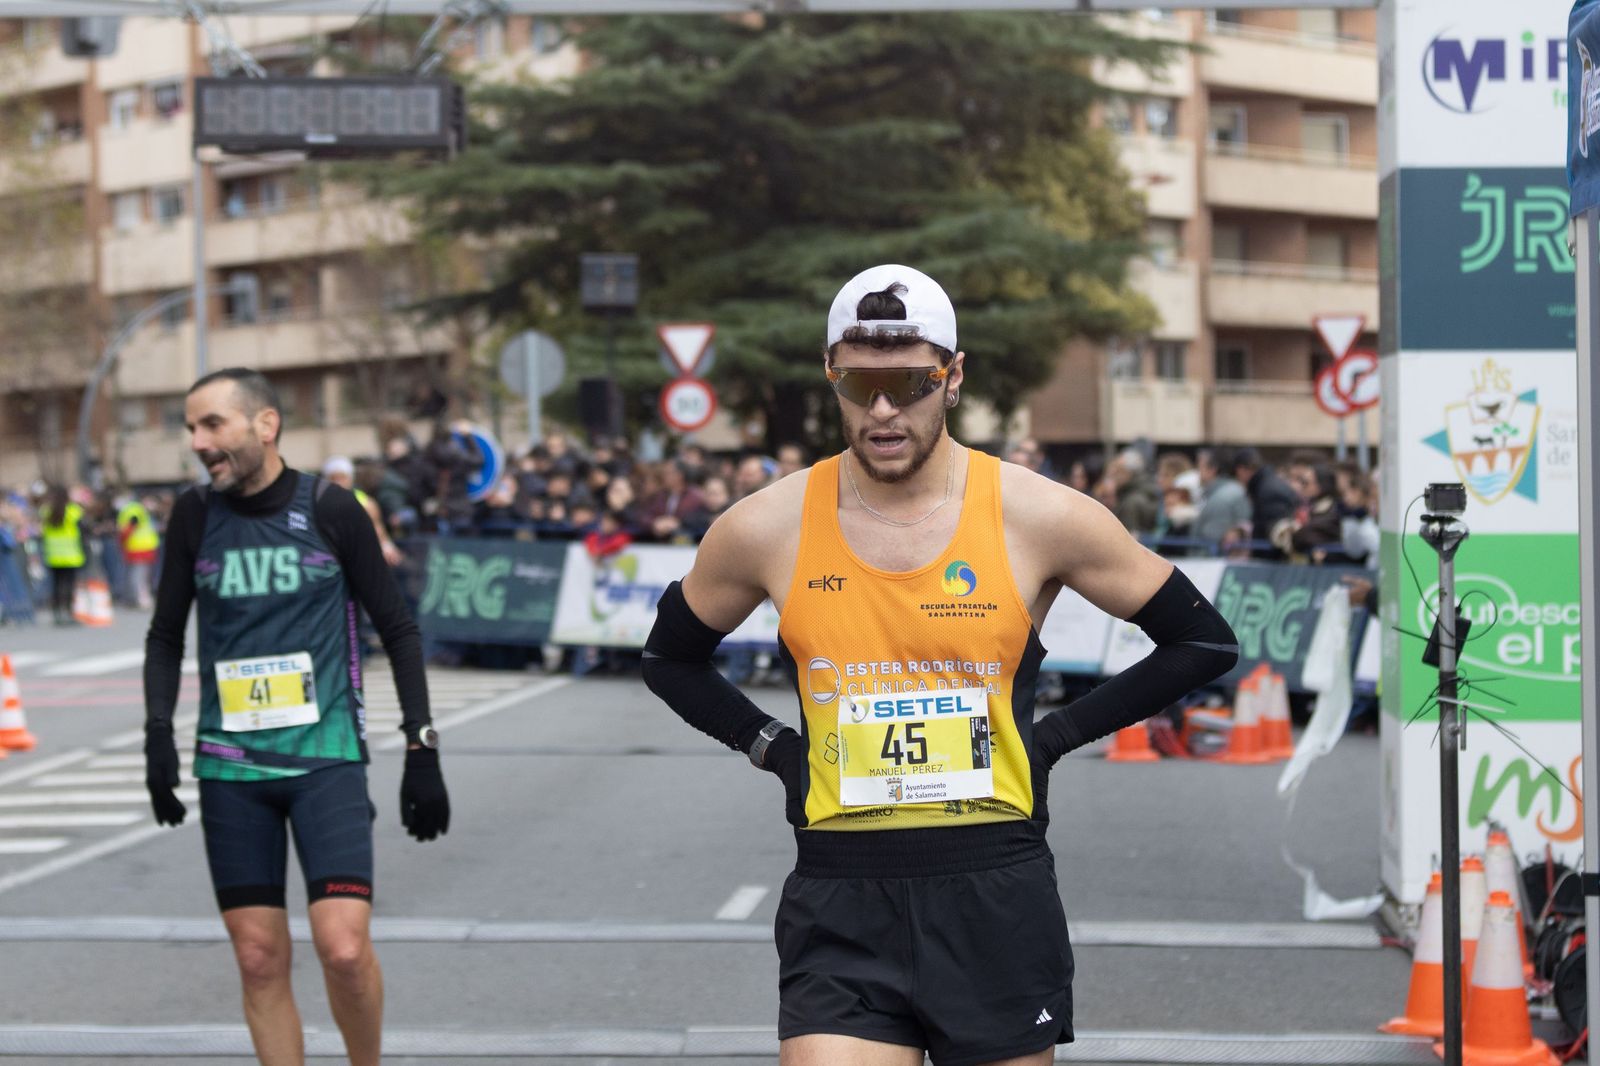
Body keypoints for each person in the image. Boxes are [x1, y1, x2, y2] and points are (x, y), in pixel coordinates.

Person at [642, 265, 1238, 1066]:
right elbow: (668, 658)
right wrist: (776, 751)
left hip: (993, 888)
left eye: (911, 382)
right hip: (841, 893)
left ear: (953, 378)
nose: (883, 410)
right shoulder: (765, 526)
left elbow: (1202, 641)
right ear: (832, 377)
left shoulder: (1039, 514)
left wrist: (1053, 737)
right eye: (858, 383)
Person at [143, 368, 451, 1066]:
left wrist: (422, 748)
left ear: (265, 424)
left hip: (326, 759)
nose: (198, 442)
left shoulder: (333, 509)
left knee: (343, 948)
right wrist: (157, 736)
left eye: (211, 424)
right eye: (191, 429)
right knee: (257, 956)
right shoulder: (195, 516)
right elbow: (165, 636)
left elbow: (398, 628)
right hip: (231, 765)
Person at [1230, 447, 1299, 559]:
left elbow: (1277, 530)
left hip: (1272, 564)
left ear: (1241, 470)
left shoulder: (1268, 491)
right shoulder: (1267, 485)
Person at [38, 483, 86, 626]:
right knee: (68, 585)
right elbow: (83, 530)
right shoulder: (73, 510)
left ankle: (57, 614)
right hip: (70, 554)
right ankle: (68, 613)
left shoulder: (46, 511)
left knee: (56, 585)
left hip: (53, 554)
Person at [1191, 447, 1251, 553]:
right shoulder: (1232, 490)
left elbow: (1211, 539)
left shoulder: (1221, 498)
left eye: (1200, 467)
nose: (1198, 472)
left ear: (1212, 470)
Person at [117, 490, 162, 609]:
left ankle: (134, 598)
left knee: (136, 575)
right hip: (139, 548)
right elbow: (128, 529)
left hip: (138, 548)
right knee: (138, 576)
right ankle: (137, 599)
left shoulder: (133, 509)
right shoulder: (136, 510)